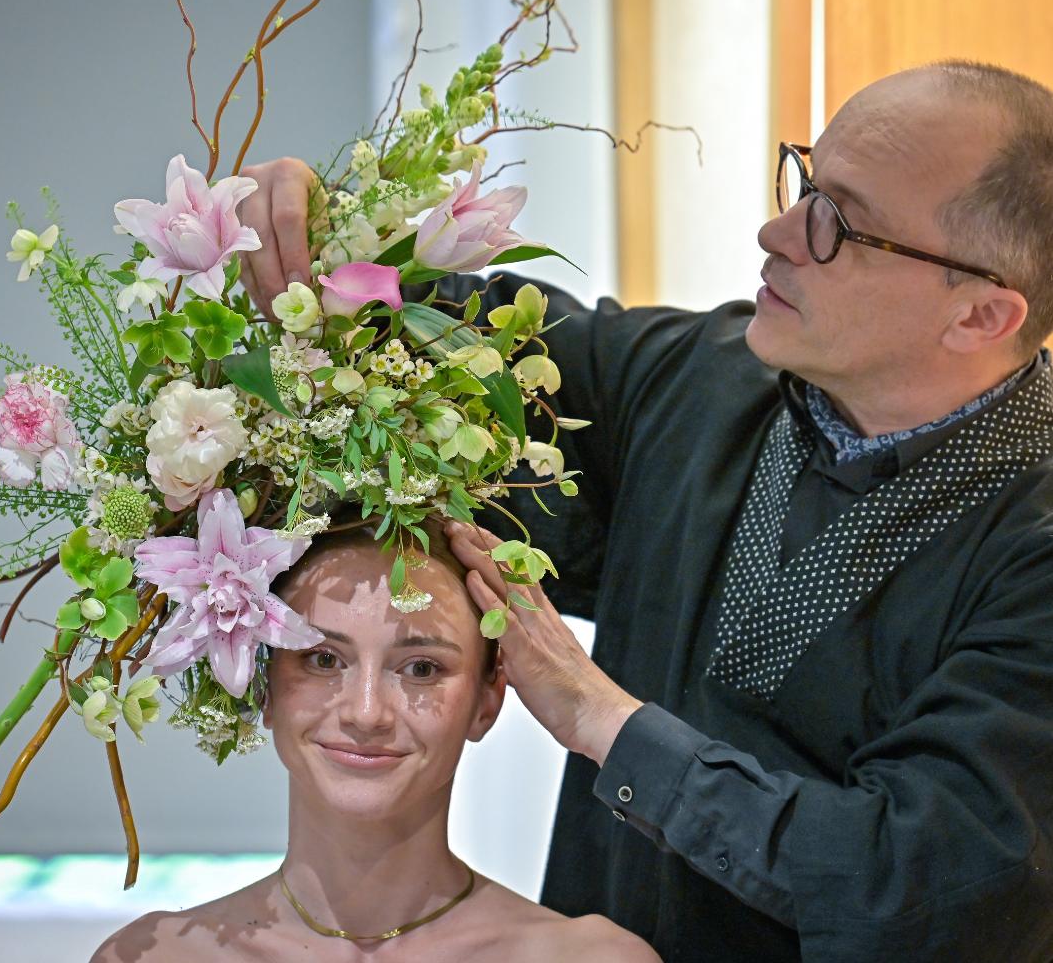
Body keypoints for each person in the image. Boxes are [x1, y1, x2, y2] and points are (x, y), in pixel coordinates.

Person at [236, 61, 1053, 961]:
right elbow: (450, 346)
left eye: (838, 223)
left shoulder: (1033, 552)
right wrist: (323, 237)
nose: (777, 230)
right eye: (804, 180)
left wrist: (602, 721)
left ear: (981, 315)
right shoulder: (700, 379)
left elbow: (917, 883)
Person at [92, 520, 660, 962]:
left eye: (420, 669)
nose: (367, 713)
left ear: (490, 698)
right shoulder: (154, 956)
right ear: (262, 684)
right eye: (322, 659)